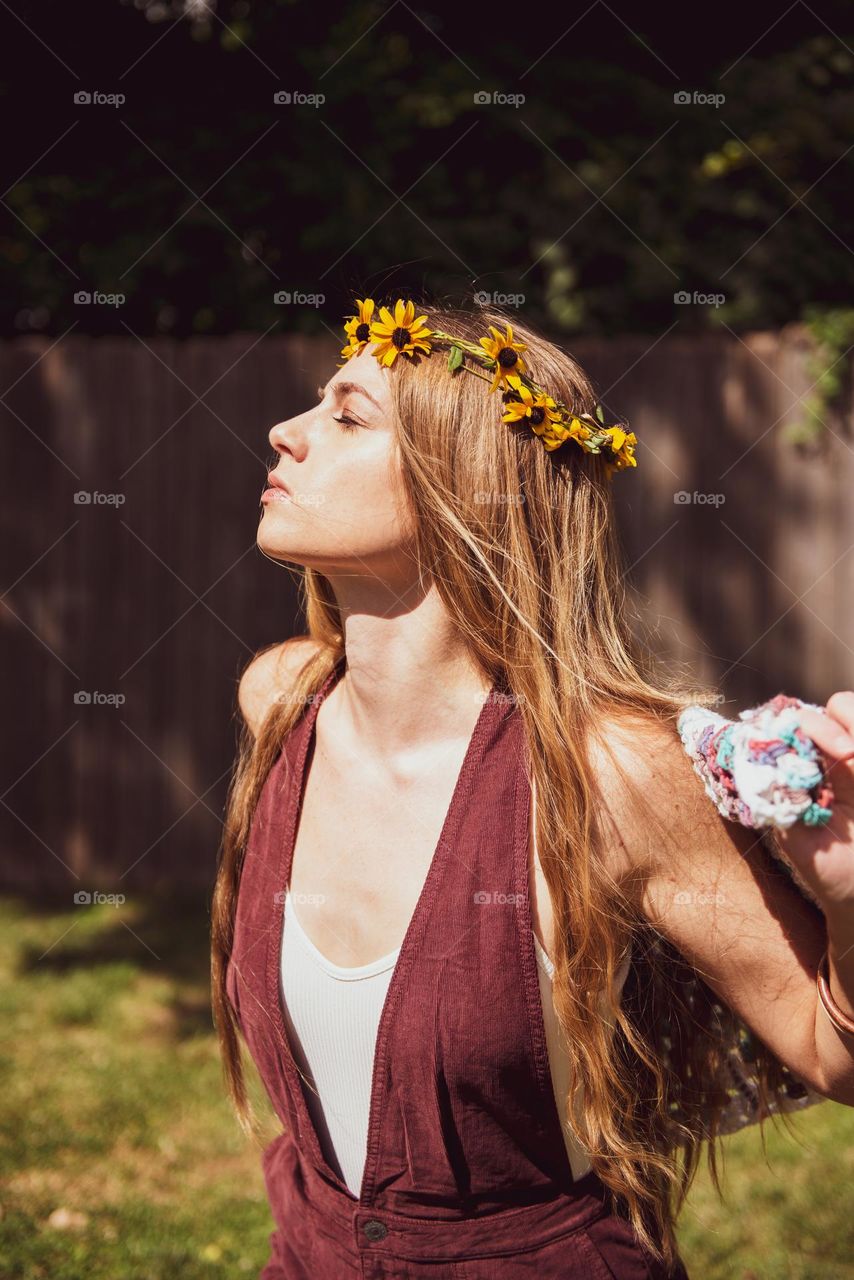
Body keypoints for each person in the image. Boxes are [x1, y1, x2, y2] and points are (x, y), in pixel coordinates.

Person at [211, 296, 854, 1279]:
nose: (282, 434)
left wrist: (847, 898)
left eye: (344, 414)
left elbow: (827, 1048)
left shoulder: (607, 772)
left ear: (462, 484)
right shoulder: (280, 702)